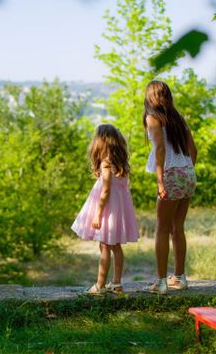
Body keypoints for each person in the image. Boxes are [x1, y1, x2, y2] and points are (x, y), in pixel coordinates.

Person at [71, 124, 139, 294]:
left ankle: (100, 286)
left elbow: (106, 190)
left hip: (108, 209)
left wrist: (97, 214)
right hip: (117, 209)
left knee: (105, 246)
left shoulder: (106, 163)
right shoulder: (120, 162)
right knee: (115, 246)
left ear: (100, 142)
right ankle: (116, 283)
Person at [143, 80, 197, 294]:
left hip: (170, 175)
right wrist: (187, 169)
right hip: (187, 174)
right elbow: (193, 149)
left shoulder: (153, 118)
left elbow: (160, 151)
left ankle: (161, 282)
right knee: (178, 228)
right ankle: (180, 278)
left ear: (150, 97)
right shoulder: (178, 118)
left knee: (162, 228)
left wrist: (160, 180)